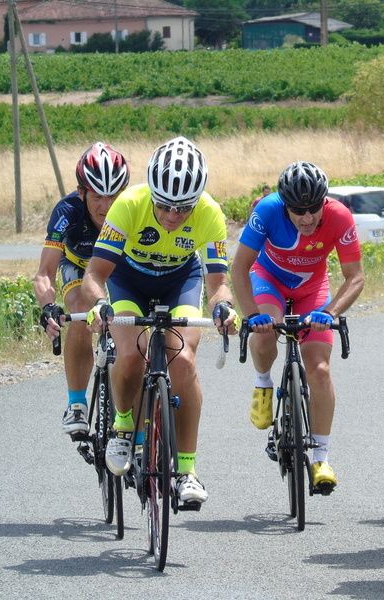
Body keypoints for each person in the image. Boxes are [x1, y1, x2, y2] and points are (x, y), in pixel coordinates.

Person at [81, 136, 238, 507]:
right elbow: (95, 275)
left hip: (179, 282)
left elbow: (218, 284)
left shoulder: (211, 213)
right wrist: (101, 306)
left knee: (182, 360)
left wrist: (224, 308)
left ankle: (187, 470)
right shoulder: (129, 205)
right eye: (165, 205)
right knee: (131, 353)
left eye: (183, 208)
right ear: (151, 193)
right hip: (127, 280)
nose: (172, 216)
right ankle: (122, 424)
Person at [232, 161, 364, 492]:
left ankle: (321, 457)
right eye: (298, 210)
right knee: (265, 335)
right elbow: (240, 268)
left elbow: (356, 277)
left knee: (319, 369)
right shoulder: (267, 210)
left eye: (313, 209)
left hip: (312, 289)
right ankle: (263, 382)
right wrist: (251, 316)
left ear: (324, 201)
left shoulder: (339, 217)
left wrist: (331, 312)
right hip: (269, 280)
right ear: (284, 205)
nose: (307, 218)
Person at [34, 142, 130, 436]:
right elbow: (44, 273)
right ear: (82, 192)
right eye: (98, 196)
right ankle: (77, 404)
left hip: (118, 266)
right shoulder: (67, 211)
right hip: (78, 265)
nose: (107, 205)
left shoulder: (133, 208)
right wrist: (48, 306)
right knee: (79, 310)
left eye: (113, 195)